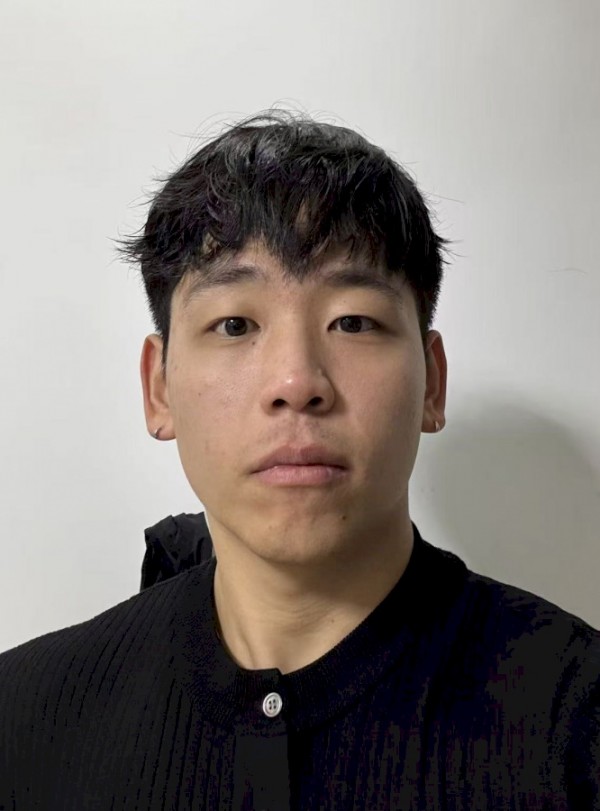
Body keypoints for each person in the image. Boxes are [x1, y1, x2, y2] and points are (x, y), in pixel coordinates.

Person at [0, 110, 598, 810]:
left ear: (432, 383)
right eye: (234, 324)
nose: (296, 381)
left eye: (353, 321)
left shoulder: (576, 721)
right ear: (159, 389)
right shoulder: (22, 720)